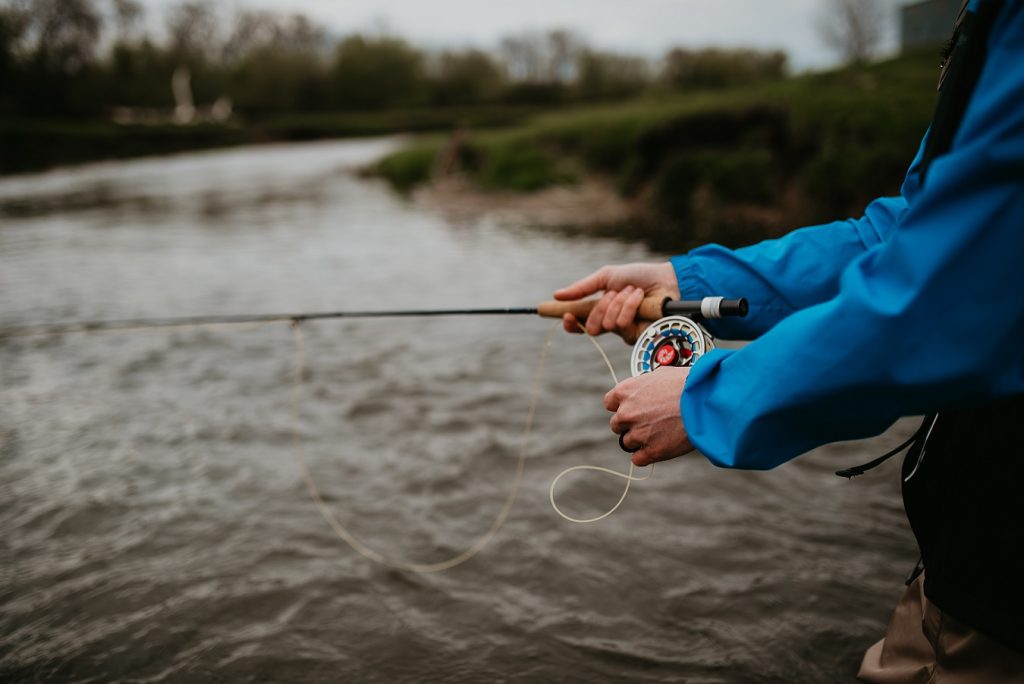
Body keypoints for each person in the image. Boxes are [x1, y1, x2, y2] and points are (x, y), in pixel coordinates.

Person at [554, 1, 1023, 681]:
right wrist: (684, 276)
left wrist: (705, 398)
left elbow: (947, 298)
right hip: (964, 551)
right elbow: (904, 237)